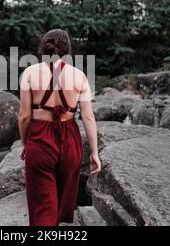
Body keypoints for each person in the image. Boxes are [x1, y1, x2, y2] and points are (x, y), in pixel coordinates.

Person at [18, 29, 101, 226]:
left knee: (43, 205)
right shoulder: (80, 76)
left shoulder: (30, 73)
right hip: (70, 138)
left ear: (43, 48)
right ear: (67, 51)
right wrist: (95, 152)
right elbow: (88, 117)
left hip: (40, 138)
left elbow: (24, 116)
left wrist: (24, 143)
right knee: (63, 203)